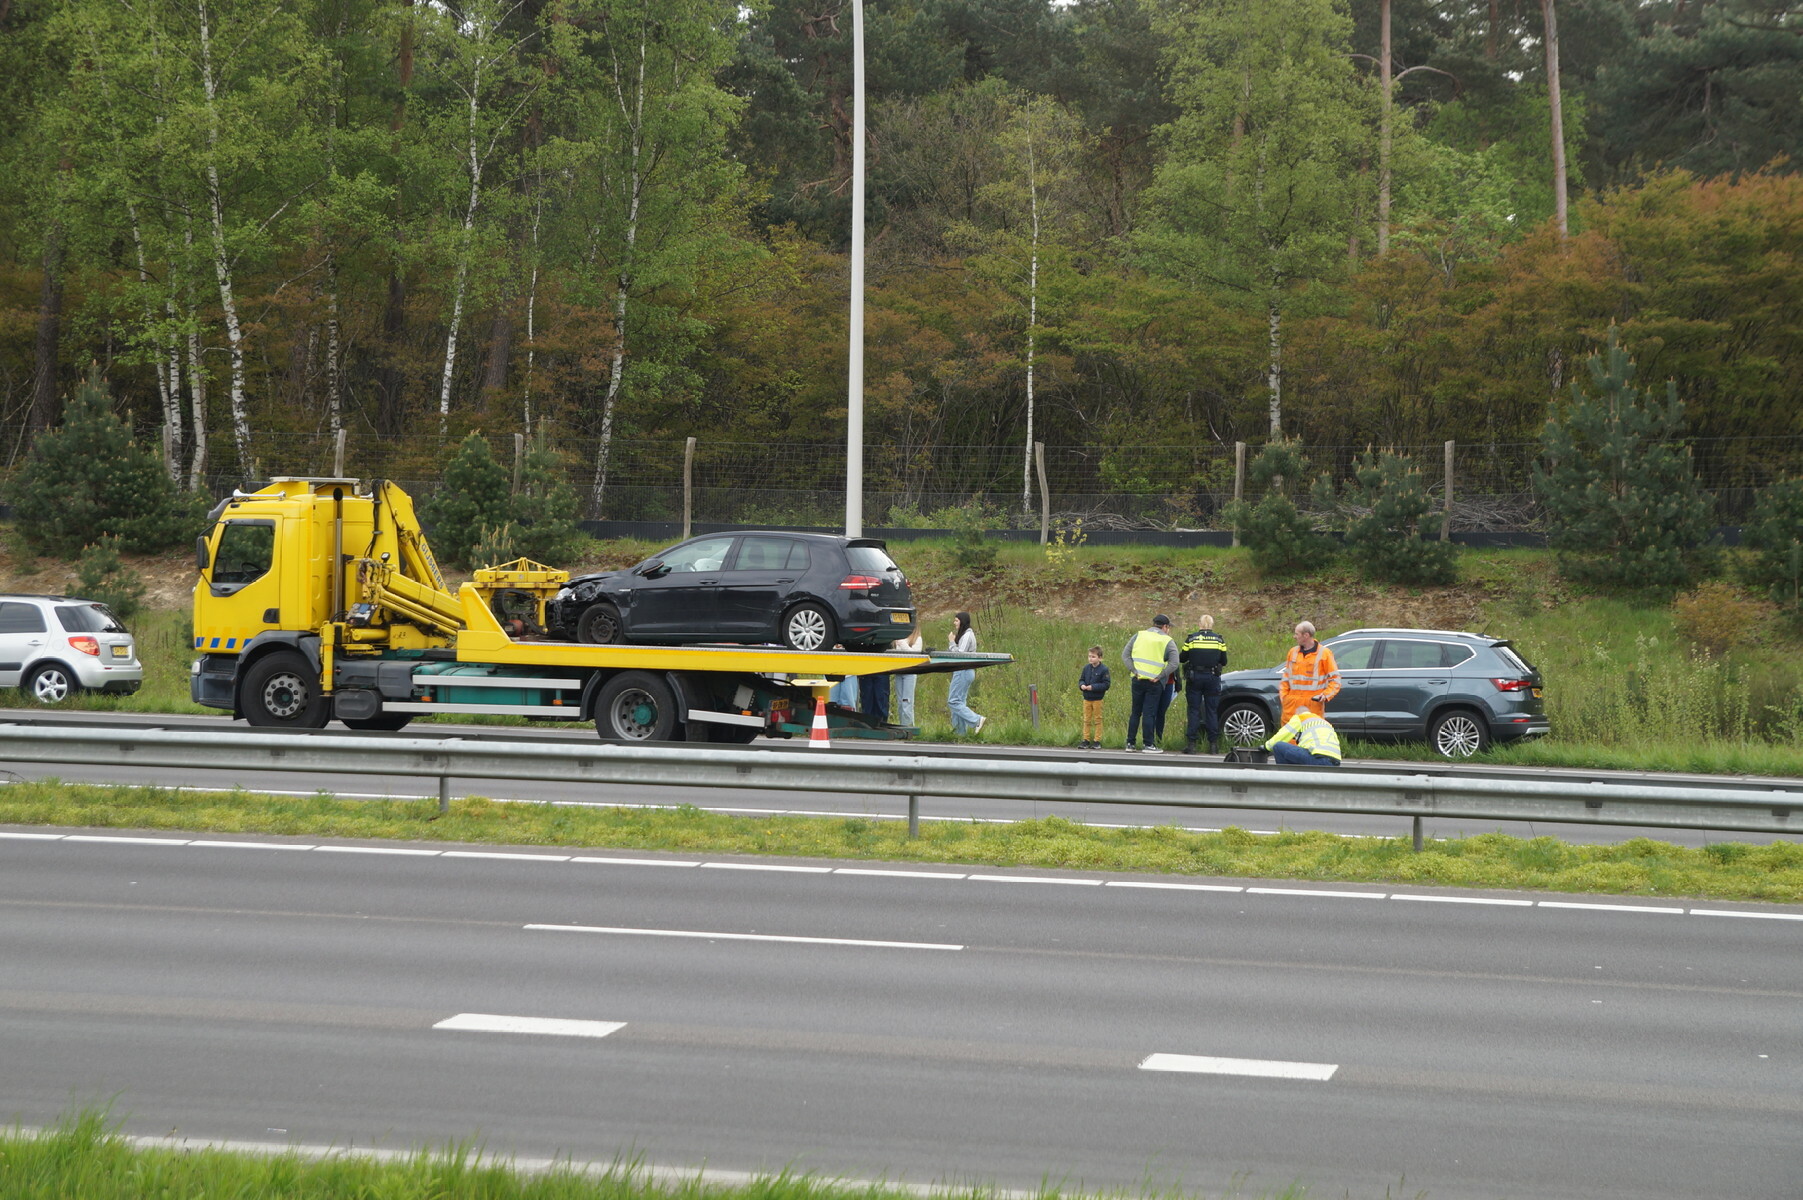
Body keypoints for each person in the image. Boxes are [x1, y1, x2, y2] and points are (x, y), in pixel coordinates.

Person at [1119, 614, 1178, 752]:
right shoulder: (1167, 640)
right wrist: (1161, 675)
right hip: (1154, 682)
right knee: (1149, 713)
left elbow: (1125, 655)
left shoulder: (1139, 635)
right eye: (1168, 627)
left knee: (1135, 712)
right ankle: (1148, 744)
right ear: (1165, 627)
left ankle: (1130, 743)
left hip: (1138, 679)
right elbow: (1174, 663)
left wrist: (1134, 670)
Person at [1180, 615, 1229, 754]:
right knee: (1211, 711)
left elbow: (1182, 658)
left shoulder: (1192, 638)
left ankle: (1192, 745)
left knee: (1194, 710)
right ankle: (1213, 745)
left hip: (1195, 677)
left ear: (1199, 624)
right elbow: (1224, 661)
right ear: (1212, 624)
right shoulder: (1219, 640)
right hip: (1212, 677)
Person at [1279, 620, 1340, 724]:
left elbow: (1335, 680)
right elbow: (1286, 677)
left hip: (1312, 706)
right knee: (1289, 736)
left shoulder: (1324, 654)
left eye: (1297, 634)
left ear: (1306, 635)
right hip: (1291, 705)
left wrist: (1325, 695)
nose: (1294, 636)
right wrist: (1284, 697)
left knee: (1311, 735)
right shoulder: (1292, 652)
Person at [946, 611, 985, 736]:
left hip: (963, 670)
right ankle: (959, 733)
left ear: (962, 622)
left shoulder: (967, 635)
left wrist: (952, 642)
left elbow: (960, 654)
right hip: (965, 670)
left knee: (953, 701)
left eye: (956, 620)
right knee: (959, 702)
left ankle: (976, 720)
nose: (954, 623)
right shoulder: (965, 635)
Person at [1264, 708, 1342, 767]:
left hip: (1319, 759)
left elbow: (1282, 735)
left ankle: (1286, 782)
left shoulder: (1300, 718)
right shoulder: (1324, 722)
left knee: (1278, 746)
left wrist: (1266, 747)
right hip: (1335, 762)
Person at [1077, 645, 1110, 750]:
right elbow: (1081, 679)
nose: (1091, 658)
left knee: (1097, 720)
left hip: (1097, 699)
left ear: (1100, 658)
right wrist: (1082, 685)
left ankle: (1097, 740)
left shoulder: (1104, 670)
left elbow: (1106, 685)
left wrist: (1093, 687)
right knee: (1086, 720)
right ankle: (1085, 740)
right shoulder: (1086, 668)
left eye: (1093, 656)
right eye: (1089, 656)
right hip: (1087, 698)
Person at [893, 623, 924, 727]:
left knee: (907, 701)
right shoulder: (900, 638)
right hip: (899, 671)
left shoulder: (917, 639)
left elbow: (915, 654)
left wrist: (903, 644)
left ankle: (908, 726)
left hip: (910, 672)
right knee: (900, 702)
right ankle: (903, 725)